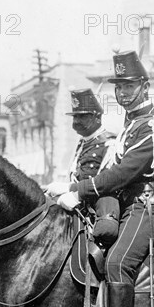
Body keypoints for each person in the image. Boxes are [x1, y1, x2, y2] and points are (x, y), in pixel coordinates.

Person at [57, 50, 154, 307]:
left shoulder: (150, 126)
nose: (122, 92)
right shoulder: (129, 125)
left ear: (145, 86)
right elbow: (111, 171)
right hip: (126, 204)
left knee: (117, 260)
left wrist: (77, 189)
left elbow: (121, 174)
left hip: (149, 204)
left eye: (129, 85)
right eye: (118, 86)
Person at [45, 88, 119, 247]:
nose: (77, 120)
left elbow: (108, 181)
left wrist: (77, 195)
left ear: (97, 117)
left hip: (98, 209)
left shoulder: (110, 143)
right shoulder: (82, 143)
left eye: (83, 116)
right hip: (75, 207)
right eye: (75, 116)